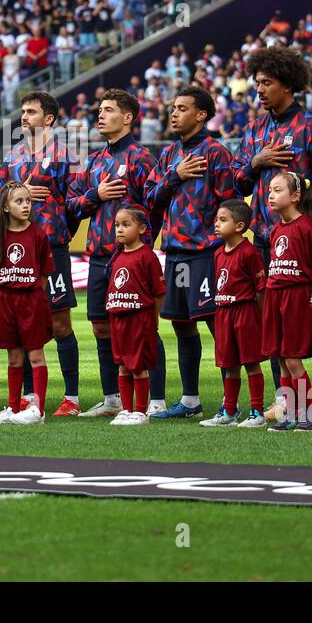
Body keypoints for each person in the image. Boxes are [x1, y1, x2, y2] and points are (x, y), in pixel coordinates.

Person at [235, 47, 312, 422]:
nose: (260, 90)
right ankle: (287, 397)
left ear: (288, 84)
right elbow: (236, 179)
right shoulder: (254, 130)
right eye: (257, 83)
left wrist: (300, 189)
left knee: (311, 316)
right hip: (263, 237)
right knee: (273, 320)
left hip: (299, 240)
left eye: (267, 83)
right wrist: (255, 162)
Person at [143, 84, 237, 418]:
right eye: (173, 107)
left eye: (182, 108)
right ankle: (191, 401)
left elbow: (231, 203)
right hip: (175, 253)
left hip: (205, 252)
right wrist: (174, 175)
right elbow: (150, 197)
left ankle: (232, 404)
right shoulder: (169, 155)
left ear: (201, 115)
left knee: (217, 324)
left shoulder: (216, 153)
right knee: (181, 325)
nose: (174, 113)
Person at [67, 88, 161, 418]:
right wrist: (97, 194)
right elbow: (72, 205)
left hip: (132, 260)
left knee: (142, 327)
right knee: (101, 328)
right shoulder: (93, 161)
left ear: (128, 117)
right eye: (100, 110)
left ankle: (156, 398)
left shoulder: (143, 158)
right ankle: (112, 399)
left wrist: (142, 247)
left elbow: (155, 206)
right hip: (98, 256)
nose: (100, 115)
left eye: (108, 110)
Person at [0, 91, 81, 417]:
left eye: (30, 111)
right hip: (16, 250)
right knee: (21, 327)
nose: (24, 116)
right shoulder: (12, 155)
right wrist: (17, 193)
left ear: (49, 119)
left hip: (50, 248)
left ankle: (71, 397)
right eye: (23, 111)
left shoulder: (65, 155)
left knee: (59, 323)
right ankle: (27, 400)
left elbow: (76, 202)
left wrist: (57, 225)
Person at [0, 183, 55, 426]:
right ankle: (13, 408)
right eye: (19, 201)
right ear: (5, 207)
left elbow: (44, 273)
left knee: (35, 355)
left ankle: (38, 410)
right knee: (13, 358)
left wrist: (31, 293)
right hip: (5, 302)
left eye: (28, 201)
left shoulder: (38, 234)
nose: (26, 205)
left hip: (31, 301)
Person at [263, 172, 312, 432]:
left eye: (278, 190)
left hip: (295, 296)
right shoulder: (276, 229)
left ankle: (311, 415)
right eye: (270, 190)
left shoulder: (307, 227)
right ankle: (291, 414)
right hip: (274, 294)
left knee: (292, 359)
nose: (271, 195)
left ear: (296, 196)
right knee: (280, 358)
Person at [199, 199, 268, 428]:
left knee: (250, 362)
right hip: (224, 313)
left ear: (239, 226)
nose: (216, 224)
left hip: (245, 313)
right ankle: (229, 411)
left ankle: (257, 412)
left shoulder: (249, 253)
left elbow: (260, 290)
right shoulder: (218, 253)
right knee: (229, 365)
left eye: (222, 220)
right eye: (216, 219)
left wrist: (260, 318)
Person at [105, 207, 166, 427]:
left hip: (139, 319)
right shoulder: (118, 255)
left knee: (138, 366)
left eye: (126, 225)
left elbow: (159, 292)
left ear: (141, 228)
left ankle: (140, 411)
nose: (119, 230)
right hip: (118, 319)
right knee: (122, 365)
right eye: (117, 225)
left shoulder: (147, 256)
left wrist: (153, 318)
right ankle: (126, 410)